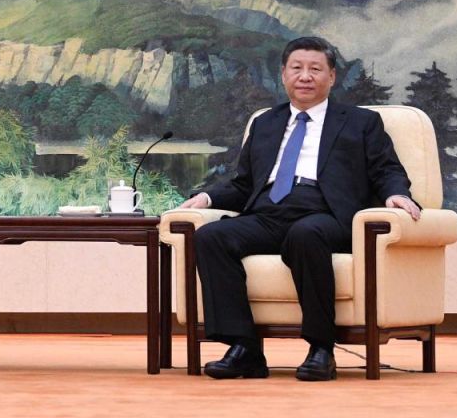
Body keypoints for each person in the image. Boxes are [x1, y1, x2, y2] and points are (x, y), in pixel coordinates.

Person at [176, 36, 421, 381]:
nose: (305, 76)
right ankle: (244, 348)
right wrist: (208, 198)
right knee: (212, 237)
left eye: (315, 69)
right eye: (297, 68)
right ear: (284, 75)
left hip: (325, 213)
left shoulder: (360, 122)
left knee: (306, 235)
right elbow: (245, 183)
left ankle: (321, 349)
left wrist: (397, 194)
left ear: (332, 77)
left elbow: (386, 169)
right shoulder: (265, 123)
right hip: (269, 212)